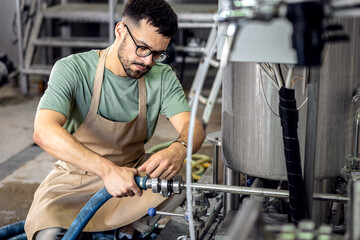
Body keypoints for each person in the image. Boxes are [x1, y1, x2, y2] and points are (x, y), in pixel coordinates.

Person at [24, 0, 205, 239]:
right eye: (142, 48)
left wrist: (179, 148)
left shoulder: (162, 77)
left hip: (132, 179)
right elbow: (43, 131)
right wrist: (108, 170)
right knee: (47, 235)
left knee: (180, 184)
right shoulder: (73, 70)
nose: (149, 61)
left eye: (158, 53)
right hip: (73, 182)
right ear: (120, 31)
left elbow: (193, 127)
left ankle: (129, 229)